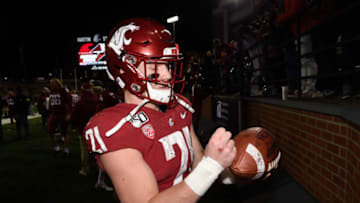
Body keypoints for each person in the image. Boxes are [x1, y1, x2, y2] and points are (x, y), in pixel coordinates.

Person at [83, 18, 238, 202]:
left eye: (167, 64)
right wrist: (211, 166)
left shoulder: (178, 106)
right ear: (126, 68)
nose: (167, 74)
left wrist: (235, 171)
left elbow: (199, 163)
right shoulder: (114, 127)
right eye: (155, 65)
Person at [47, 78, 72, 156]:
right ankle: (57, 147)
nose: (51, 84)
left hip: (62, 113)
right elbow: (51, 102)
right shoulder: (51, 91)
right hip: (54, 114)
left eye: (53, 83)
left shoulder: (63, 91)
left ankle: (66, 149)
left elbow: (68, 102)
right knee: (50, 131)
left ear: (57, 83)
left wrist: (69, 114)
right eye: (51, 83)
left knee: (65, 132)